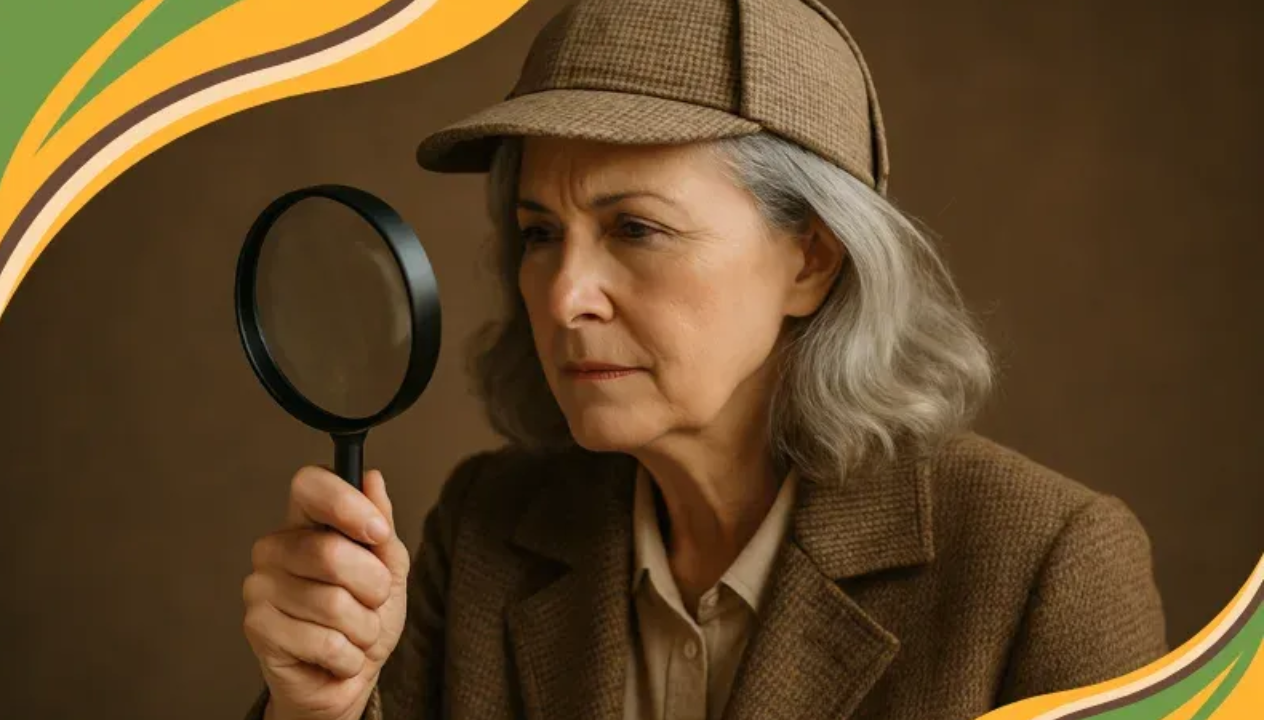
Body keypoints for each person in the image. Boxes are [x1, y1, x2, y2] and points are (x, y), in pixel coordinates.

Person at [240, 1, 1167, 718]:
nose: (564, 298)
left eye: (636, 228)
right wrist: (316, 706)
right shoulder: (482, 533)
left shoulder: (1046, 569)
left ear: (812, 257)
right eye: (538, 234)